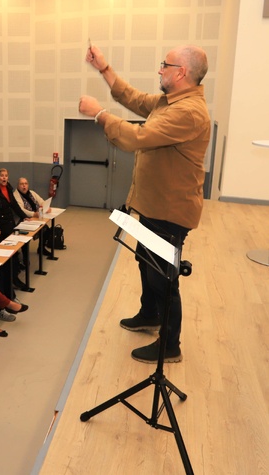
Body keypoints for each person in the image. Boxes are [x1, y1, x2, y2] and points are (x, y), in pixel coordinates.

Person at [79, 44, 210, 363]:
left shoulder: (188, 112)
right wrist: (104, 69)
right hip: (153, 207)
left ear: (181, 73)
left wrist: (99, 114)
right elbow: (135, 99)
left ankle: (170, 344)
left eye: (165, 65)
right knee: (144, 260)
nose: (159, 69)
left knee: (163, 276)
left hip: (171, 213)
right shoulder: (170, 102)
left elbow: (136, 138)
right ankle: (149, 314)